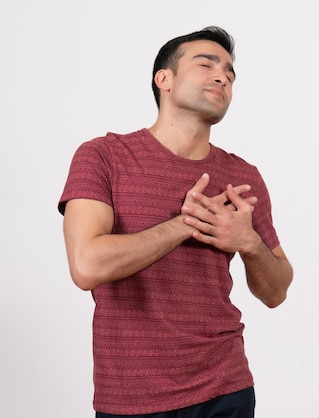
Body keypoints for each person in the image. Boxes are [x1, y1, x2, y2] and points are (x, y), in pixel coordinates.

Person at [58, 26, 293, 418]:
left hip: (226, 385)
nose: (222, 77)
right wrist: (185, 224)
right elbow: (86, 266)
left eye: (230, 74)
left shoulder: (244, 176)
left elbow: (276, 291)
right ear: (163, 79)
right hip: (132, 395)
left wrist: (248, 243)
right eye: (207, 65)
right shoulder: (103, 156)